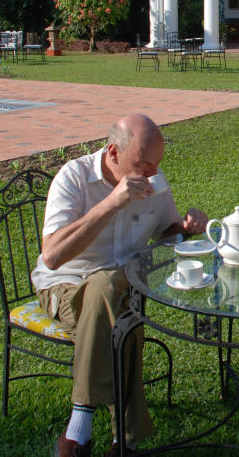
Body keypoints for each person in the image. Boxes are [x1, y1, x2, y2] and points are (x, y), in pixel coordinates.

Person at [32, 113, 208, 457]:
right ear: (113, 152)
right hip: (66, 285)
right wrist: (112, 203)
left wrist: (185, 228)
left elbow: (167, 231)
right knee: (121, 311)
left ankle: (82, 432)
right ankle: (122, 439)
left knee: (116, 297)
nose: (153, 174)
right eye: (144, 164)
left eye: (157, 164)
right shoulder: (74, 178)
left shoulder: (154, 181)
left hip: (121, 292)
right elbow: (52, 256)